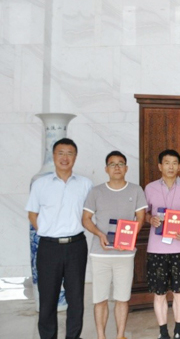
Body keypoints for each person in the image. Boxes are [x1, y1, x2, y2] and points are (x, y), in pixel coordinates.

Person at [25, 138, 93, 339]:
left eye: (69, 153)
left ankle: (73, 336)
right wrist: (48, 231)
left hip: (76, 246)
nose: (65, 157)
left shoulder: (86, 184)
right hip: (49, 247)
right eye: (60, 153)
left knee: (76, 297)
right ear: (54, 156)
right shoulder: (40, 184)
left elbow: (91, 214)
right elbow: (32, 214)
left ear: (75, 157)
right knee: (48, 298)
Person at [82, 151, 148, 339]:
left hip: (125, 254)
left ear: (126, 168)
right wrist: (99, 234)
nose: (117, 167)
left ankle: (120, 335)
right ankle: (101, 336)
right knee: (100, 299)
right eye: (112, 164)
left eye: (120, 164)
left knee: (122, 298)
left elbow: (141, 217)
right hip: (100, 254)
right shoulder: (96, 192)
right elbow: (86, 219)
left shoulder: (136, 190)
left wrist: (128, 238)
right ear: (106, 169)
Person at [145, 149, 180, 339]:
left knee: (179, 292)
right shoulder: (150, 188)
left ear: (179, 166)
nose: (171, 166)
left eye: (174, 163)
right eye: (167, 163)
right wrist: (150, 219)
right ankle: (163, 333)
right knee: (159, 293)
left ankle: (178, 331)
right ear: (160, 166)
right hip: (156, 248)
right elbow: (144, 213)